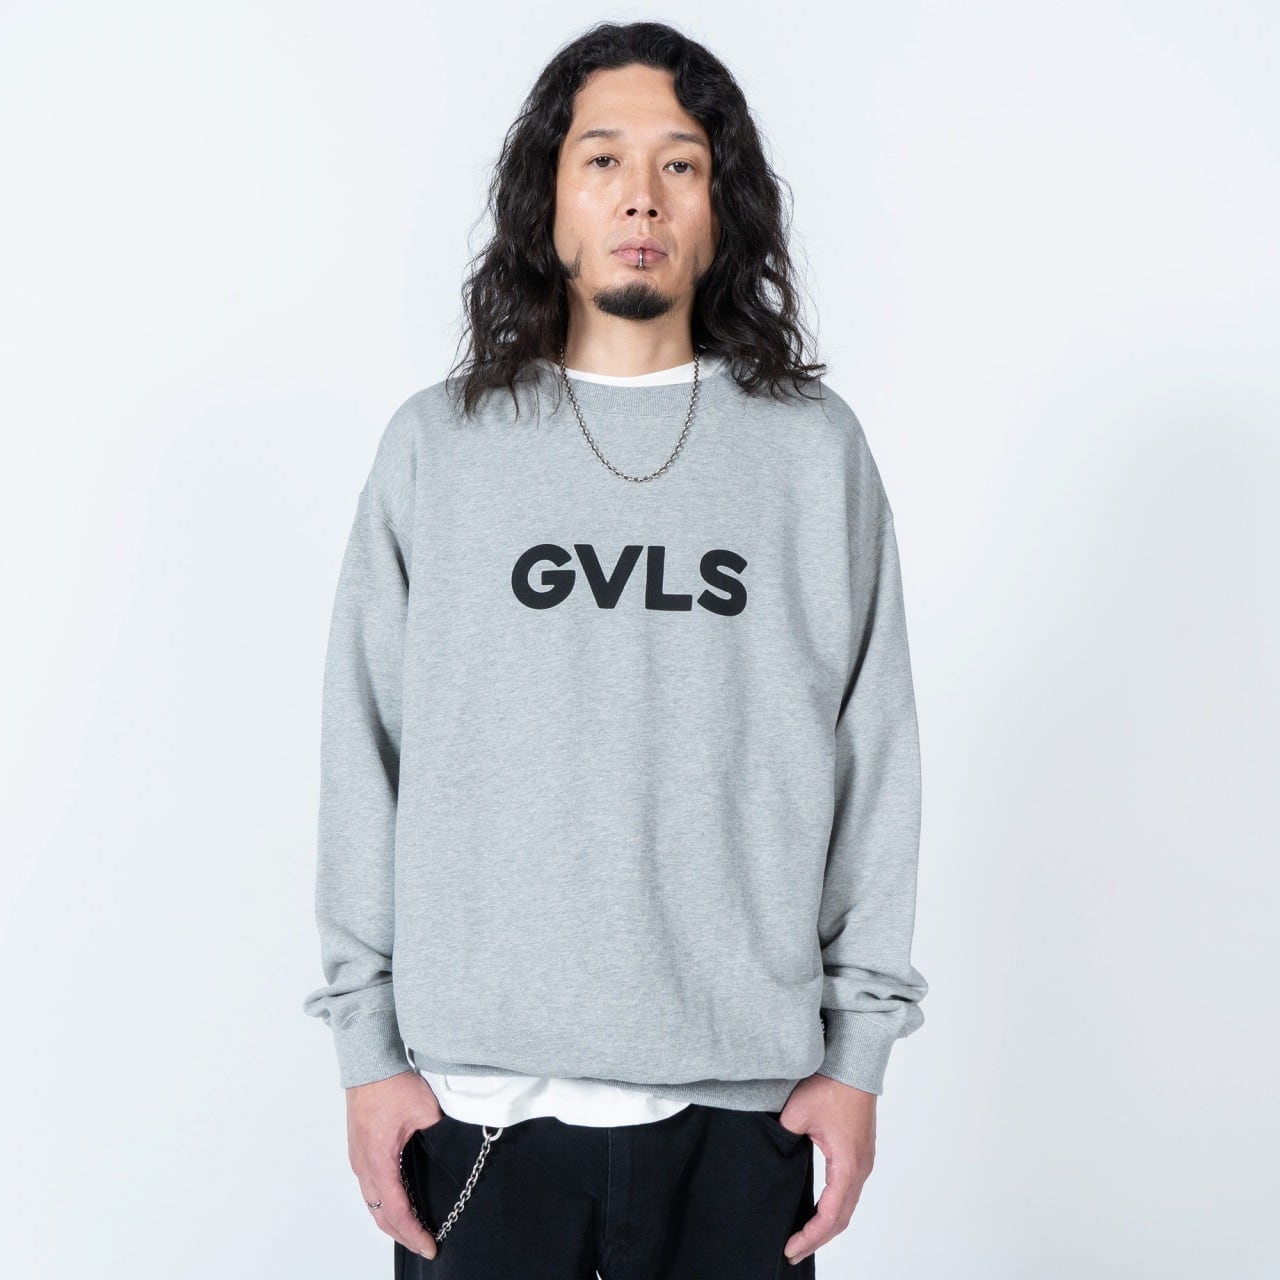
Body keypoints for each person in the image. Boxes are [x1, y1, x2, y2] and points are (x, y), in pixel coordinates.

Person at [302, 20, 928, 1279]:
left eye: (679, 163)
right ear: (548, 199)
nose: (640, 195)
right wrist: (365, 1048)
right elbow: (363, 746)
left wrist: (857, 1053)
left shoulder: (810, 453)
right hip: (478, 1108)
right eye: (601, 159)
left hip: (741, 1112)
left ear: (720, 203)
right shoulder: (440, 448)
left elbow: (873, 755)